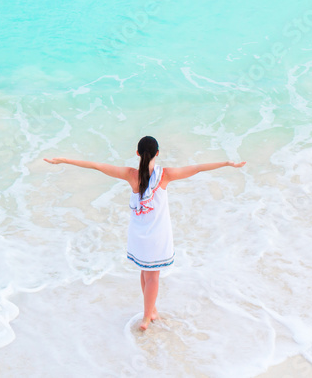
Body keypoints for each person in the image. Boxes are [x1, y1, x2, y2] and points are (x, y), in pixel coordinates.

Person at [44, 135, 247, 330]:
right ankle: (146, 318)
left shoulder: (130, 174)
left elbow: (96, 166)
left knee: (144, 272)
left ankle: (152, 311)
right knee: (153, 277)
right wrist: (227, 163)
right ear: (157, 153)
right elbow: (197, 168)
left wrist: (63, 160)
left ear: (137, 153)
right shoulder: (165, 175)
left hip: (138, 234)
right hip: (158, 235)